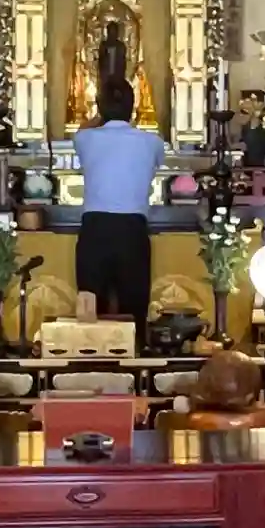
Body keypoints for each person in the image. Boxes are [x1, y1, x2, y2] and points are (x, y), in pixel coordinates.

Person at [72, 77, 163, 340]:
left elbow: (83, 128)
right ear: (133, 107)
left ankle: (90, 356)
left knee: (91, 309)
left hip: (95, 230)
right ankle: (136, 356)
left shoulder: (84, 138)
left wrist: (99, 116)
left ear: (99, 107)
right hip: (132, 231)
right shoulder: (152, 142)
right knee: (134, 309)